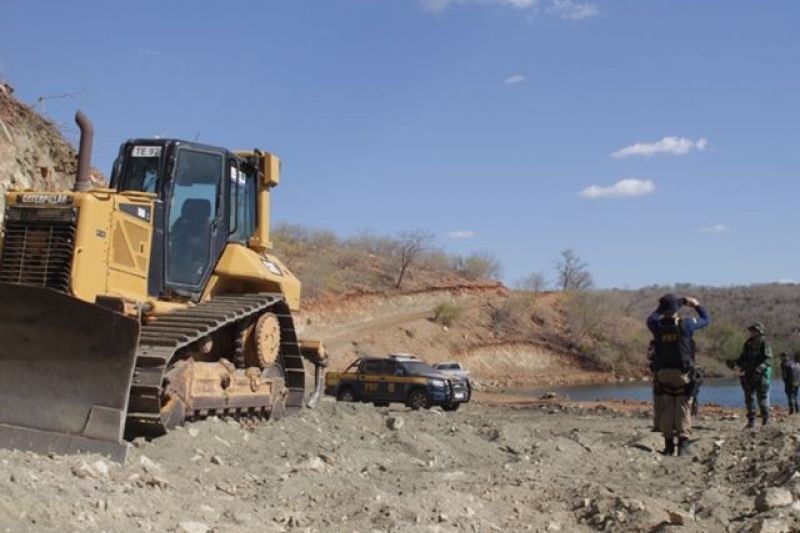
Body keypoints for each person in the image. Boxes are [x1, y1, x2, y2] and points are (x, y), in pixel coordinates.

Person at [647, 294, 710, 456]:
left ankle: (668, 445)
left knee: (668, 406)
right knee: (683, 406)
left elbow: (652, 316)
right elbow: (706, 319)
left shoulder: (656, 325)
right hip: (682, 373)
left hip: (663, 373)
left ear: (662, 309)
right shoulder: (686, 325)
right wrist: (694, 305)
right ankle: (683, 444)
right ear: (676, 309)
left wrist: (665, 306)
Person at [727, 323, 772, 428]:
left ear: (759, 331)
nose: (752, 332)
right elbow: (743, 358)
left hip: (760, 375)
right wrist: (734, 363)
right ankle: (751, 421)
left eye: (754, 330)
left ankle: (765, 420)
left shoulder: (764, 343)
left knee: (762, 398)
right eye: (751, 330)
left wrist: (760, 368)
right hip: (747, 374)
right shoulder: (747, 343)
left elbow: (768, 360)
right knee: (749, 398)